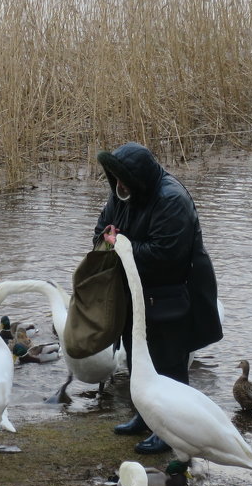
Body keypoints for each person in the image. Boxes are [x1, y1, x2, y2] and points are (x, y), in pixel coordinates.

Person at [93, 142, 223, 454]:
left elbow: (166, 256)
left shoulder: (171, 200)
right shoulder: (123, 193)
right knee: (138, 356)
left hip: (173, 296)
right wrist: (108, 239)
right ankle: (145, 415)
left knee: (169, 366)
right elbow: (100, 231)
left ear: (138, 179)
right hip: (136, 295)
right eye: (116, 180)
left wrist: (120, 243)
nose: (118, 186)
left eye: (124, 181)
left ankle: (170, 432)